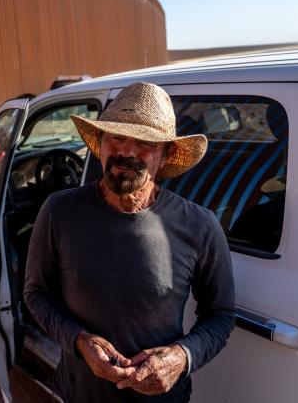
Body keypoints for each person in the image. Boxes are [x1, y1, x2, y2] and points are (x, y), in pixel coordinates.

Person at [24, 82, 235, 402]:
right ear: (101, 143)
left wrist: (182, 356)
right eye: (117, 137)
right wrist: (79, 341)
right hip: (81, 394)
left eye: (145, 142)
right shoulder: (59, 211)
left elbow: (220, 315)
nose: (126, 151)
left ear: (166, 154)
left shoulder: (199, 226)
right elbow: (36, 293)